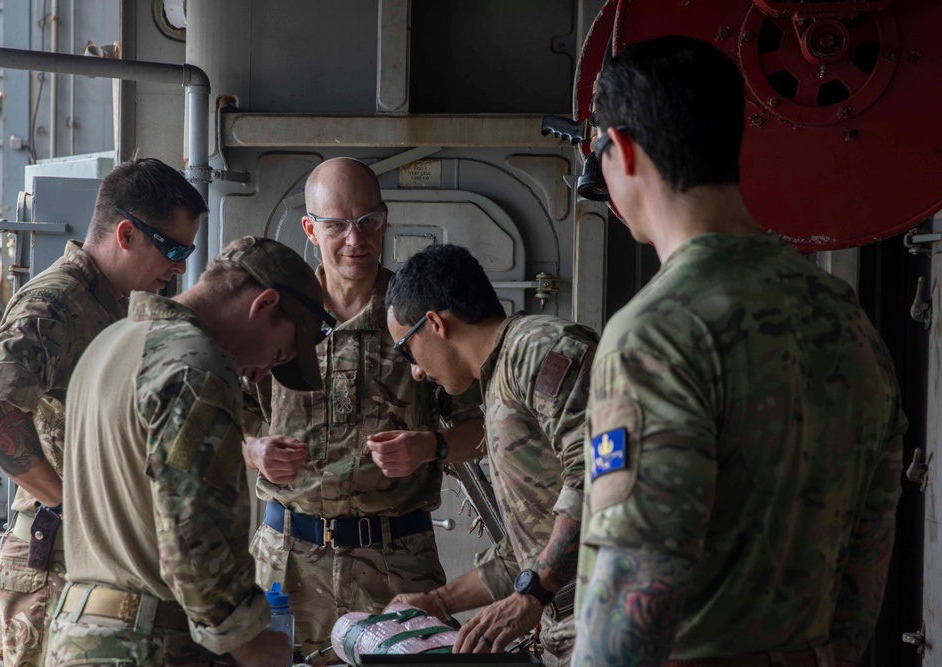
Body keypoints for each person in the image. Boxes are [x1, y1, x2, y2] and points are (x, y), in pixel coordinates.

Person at [573, 35, 907, 667]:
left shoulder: (655, 333)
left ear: (620, 151)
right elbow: (867, 564)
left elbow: (637, 579)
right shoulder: (845, 317)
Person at [0, 158, 205, 667]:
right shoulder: (58, 302)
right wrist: (68, 504)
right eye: (174, 248)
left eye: (189, 251)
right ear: (126, 234)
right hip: (55, 560)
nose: (181, 265)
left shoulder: (116, 301)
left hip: (93, 550)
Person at [45, 236, 329, 667]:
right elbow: (192, 533)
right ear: (265, 304)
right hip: (148, 644)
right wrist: (248, 642)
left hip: (78, 631)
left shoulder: (112, 343)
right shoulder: (194, 363)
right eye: (279, 352)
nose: (262, 376)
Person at [246, 157, 484, 662]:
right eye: (336, 225)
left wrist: (432, 446)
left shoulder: (418, 315)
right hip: (287, 566)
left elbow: (486, 429)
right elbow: (221, 421)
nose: (355, 240)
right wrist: (255, 449)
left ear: (385, 219)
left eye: (367, 222)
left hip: (395, 564)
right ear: (311, 229)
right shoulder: (275, 314)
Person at [385, 243, 598, 666]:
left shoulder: (541, 350)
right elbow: (527, 551)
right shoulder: (500, 377)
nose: (416, 371)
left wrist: (533, 593)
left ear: (435, 324)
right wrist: (439, 601)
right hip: (578, 633)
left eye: (407, 349)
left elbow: (596, 476)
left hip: (612, 622)